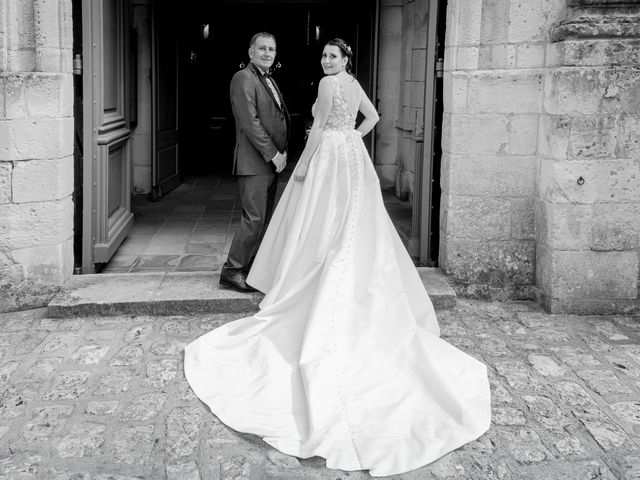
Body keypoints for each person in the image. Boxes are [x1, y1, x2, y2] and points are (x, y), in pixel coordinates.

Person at [185, 38, 491, 476]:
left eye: (333, 56)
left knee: (320, 217)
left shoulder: (330, 86)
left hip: (329, 155)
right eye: (325, 56)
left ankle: (307, 270)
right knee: (353, 219)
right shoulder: (353, 83)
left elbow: (321, 128)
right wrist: (352, 138)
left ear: (344, 59)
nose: (327, 61)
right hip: (351, 156)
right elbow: (374, 118)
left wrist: (304, 164)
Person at [219, 32, 290, 293]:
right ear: (250, 52)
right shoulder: (243, 78)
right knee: (254, 219)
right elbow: (250, 122)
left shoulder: (267, 78)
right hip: (254, 162)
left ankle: (248, 266)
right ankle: (232, 270)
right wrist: (274, 154)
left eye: (271, 49)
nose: (267, 53)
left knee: (264, 219)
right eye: (262, 48)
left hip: (269, 163)